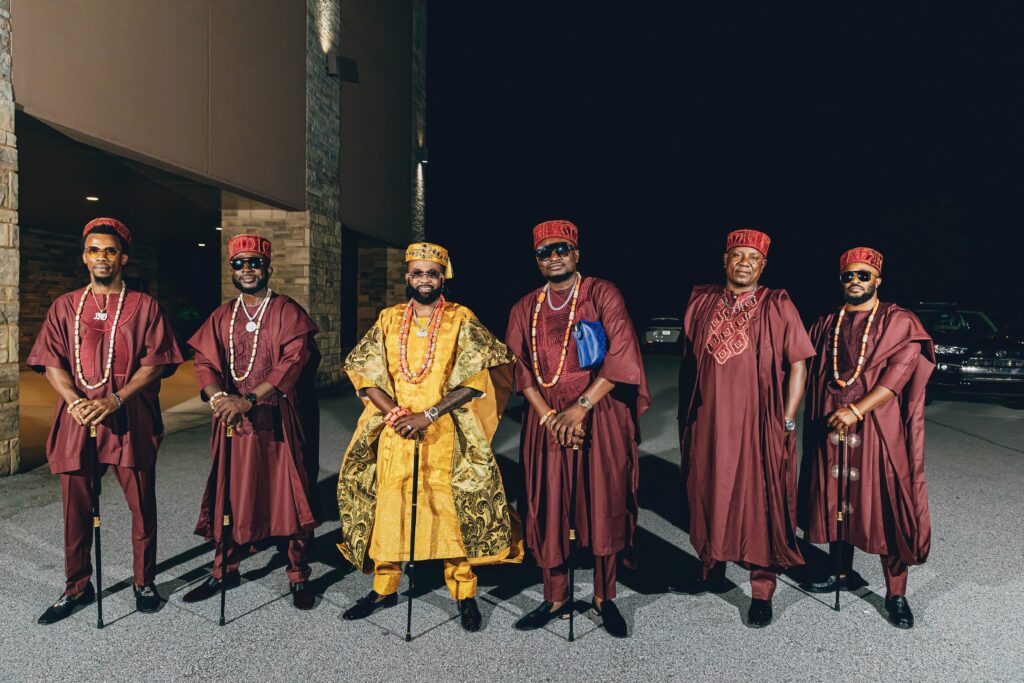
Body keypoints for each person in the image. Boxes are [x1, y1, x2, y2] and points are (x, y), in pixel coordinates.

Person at [337, 242, 521, 632]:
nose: (425, 280)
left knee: (449, 512)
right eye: (418, 273)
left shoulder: (460, 317)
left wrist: (429, 414)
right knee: (391, 507)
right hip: (395, 430)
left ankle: (464, 593)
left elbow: (475, 379)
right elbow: (365, 371)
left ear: (443, 277)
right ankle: (383, 588)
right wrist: (397, 414)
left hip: (444, 431)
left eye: (432, 273)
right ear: (407, 277)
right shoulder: (389, 318)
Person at [29, 217, 183, 624]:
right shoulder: (65, 306)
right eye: (94, 250)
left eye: (110, 250)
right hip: (78, 418)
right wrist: (76, 402)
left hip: (129, 417)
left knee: (140, 505)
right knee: (75, 508)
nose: (102, 257)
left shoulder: (145, 306)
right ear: (85, 257)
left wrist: (115, 399)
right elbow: (50, 361)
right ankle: (76, 585)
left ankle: (143, 581)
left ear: (123, 258)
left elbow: (155, 364)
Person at [505, 220, 650, 638]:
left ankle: (605, 597)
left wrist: (581, 408)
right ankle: (556, 597)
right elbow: (521, 373)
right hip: (546, 419)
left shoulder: (602, 293)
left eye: (561, 249)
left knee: (603, 502)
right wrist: (552, 417)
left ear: (577, 254)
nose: (554, 257)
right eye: (544, 252)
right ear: (536, 259)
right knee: (549, 505)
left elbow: (622, 356)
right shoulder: (523, 307)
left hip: (599, 415)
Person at [677, 228, 813, 628]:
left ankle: (761, 590)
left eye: (752, 259)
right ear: (724, 260)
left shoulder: (777, 304)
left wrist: (788, 417)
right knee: (708, 492)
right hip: (709, 422)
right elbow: (688, 362)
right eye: (737, 256)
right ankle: (711, 570)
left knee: (759, 503)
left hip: (758, 421)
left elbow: (799, 364)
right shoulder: (702, 301)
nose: (744, 264)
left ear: (763, 265)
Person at [183, 234, 322, 610]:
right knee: (231, 493)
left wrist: (248, 399)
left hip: (278, 421)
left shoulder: (286, 310)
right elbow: (204, 363)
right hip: (234, 423)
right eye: (239, 263)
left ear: (268, 268)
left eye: (254, 263)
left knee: (288, 494)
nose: (247, 269)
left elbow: (293, 361)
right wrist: (218, 398)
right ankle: (223, 570)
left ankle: (297, 574)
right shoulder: (222, 316)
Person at [799, 246, 934, 629]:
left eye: (863, 275)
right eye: (848, 275)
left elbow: (899, 374)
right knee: (838, 501)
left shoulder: (899, 321)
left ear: (878, 279)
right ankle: (841, 573)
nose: (855, 281)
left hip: (877, 429)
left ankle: (896, 594)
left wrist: (857, 409)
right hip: (832, 426)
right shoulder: (828, 322)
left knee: (886, 507)